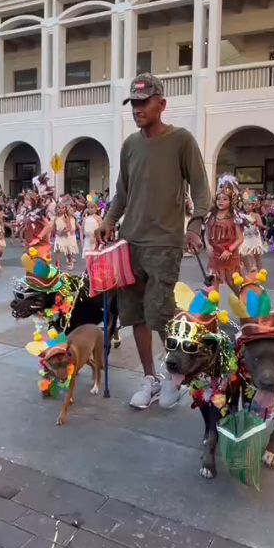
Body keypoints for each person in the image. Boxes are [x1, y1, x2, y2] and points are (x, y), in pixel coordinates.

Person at [95, 73, 211, 409]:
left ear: (162, 104)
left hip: (164, 243)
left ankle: (178, 374)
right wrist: (107, 221)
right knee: (136, 315)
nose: (137, 109)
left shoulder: (182, 140)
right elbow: (121, 193)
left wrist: (195, 225)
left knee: (160, 312)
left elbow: (201, 188)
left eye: (144, 102)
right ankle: (151, 380)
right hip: (130, 243)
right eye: (133, 103)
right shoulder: (130, 145)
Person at [206, 180, 244, 291]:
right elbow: (207, 234)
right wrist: (208, 245)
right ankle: (213, 307)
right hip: (215, 254)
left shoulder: (234, 217)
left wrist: (229, 250)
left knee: (232, 282)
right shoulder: (212, 216)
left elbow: (240, 238)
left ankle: (245, 304)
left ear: (231, 201)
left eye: (225, 199)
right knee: (214, 283)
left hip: (229, 255)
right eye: (219, 199)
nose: (221, 201)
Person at [240, 192, 267, 273]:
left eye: (249, 204)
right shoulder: (241, 215)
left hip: (255, 238)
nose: (246, 206)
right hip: (245, 237)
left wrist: (255, 223)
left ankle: (260, 272)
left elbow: (261, 225)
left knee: (257, 256)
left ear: (253, 206)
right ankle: (250, 271)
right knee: (243, 254)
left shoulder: (256, 215)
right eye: (245, 204)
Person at [53, 198, 79, 271]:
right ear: (56, 209)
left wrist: (63, 231)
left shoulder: (66, 217)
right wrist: (55, 231)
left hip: (65, 236)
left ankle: (71, 263)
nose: (60, 209)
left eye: (62, 208)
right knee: (58, 250)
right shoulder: (55, 218)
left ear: (65, 209)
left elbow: (69, 227)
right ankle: (58, 264)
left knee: (67, 251)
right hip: (58, 237)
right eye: (59, 208)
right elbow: (54, 227)